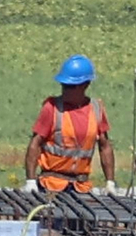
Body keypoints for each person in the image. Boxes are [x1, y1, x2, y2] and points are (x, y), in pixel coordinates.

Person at [23, 55, 117, 195]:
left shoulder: (96, 109)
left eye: (70, 87)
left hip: (81, 187)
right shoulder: (52, 108)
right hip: (51, 185)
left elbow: (105, 147)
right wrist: (30, 180)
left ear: (86, 85)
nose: (65, 90)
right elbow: (35, 143)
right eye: (64, 85)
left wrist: (110, 182)